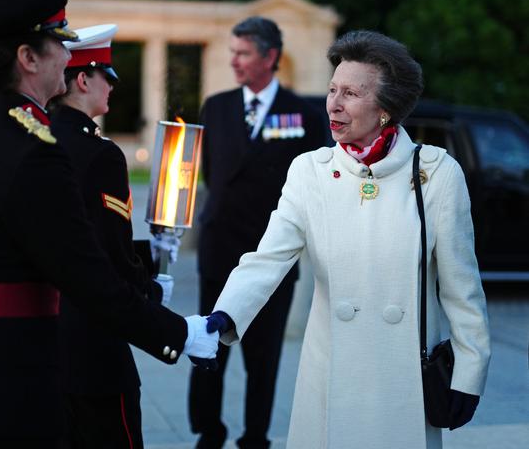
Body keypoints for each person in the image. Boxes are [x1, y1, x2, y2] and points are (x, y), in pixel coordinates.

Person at [0, 0, 218, 449]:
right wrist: (180, 334)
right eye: (60, 43)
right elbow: (85, 272)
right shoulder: (28, 144)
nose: (68, 55)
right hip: (6, 391)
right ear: (28, 57)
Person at [205, 30, 491, 448]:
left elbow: (461, 288)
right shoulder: (310, 170)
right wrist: (224, 315)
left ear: (385, 110)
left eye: (351, 94)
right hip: (329, 380)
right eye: (332, 89)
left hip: (403, 382)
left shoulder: (436, 173)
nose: (333, 105)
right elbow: (268, 258)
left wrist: (470, 371)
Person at [189, 16, 327, 449]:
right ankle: (208, 434)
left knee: (263, 360)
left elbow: (313, 182)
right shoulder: (215, 106)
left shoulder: (303, 113)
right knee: (208, 352)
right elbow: (211, 173)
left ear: (270, 57)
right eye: (233, 52)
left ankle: (255, 438)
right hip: (220, 249)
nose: (234, 61)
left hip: (273, 257)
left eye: (243, 53)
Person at [50, 24, 175, 448]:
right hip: (92, 346)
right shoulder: (101, 155)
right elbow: (110, 254)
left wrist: (149, 254)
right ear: (83, 79)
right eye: (107, 76)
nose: (112, 87)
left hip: (42, 343)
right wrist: (150, 287)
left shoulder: (37, 137)